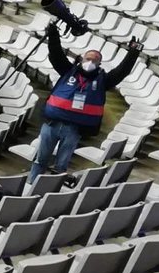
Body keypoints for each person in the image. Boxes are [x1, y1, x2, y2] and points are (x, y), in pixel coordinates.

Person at [29, 24, 142, 182]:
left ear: (99, 64)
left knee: (61, 166)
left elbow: (121, 71)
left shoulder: (103, 81)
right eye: (88, 59)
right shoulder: (68, 71)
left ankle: (51, 190)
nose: (90, 62)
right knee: (40, 160)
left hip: (74, 130)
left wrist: (133, 52)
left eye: (95, 60)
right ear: (82, 59)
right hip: (51, 124)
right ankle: (30, 185)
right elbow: (56, 55)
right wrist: (53, 34)